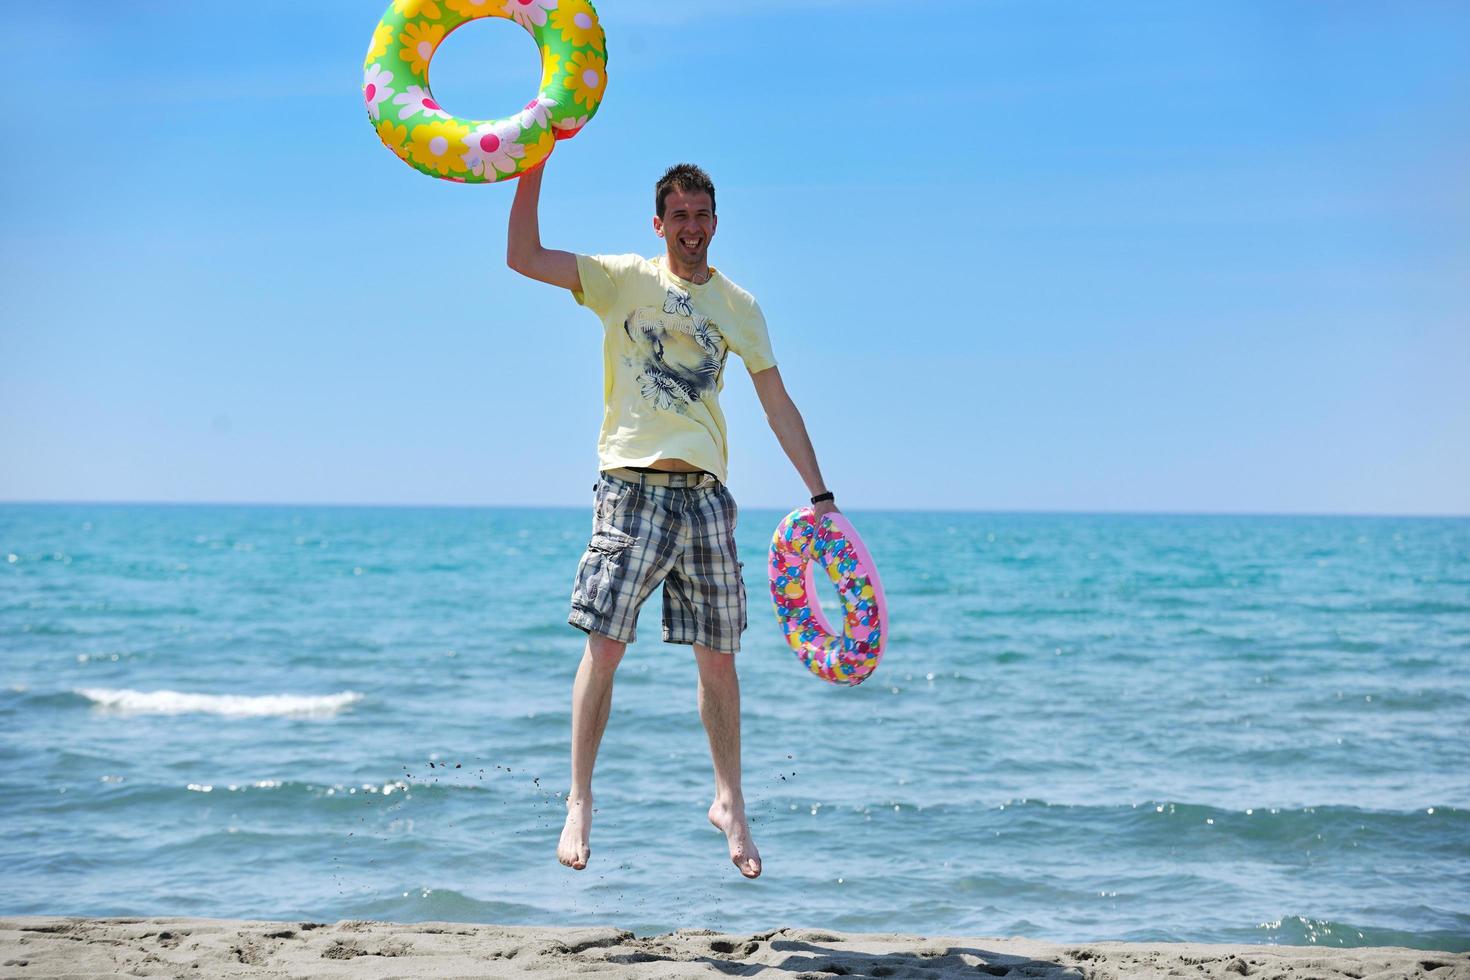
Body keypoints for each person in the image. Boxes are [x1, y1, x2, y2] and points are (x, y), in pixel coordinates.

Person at [505, 159, 838, 879]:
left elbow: (777, 406)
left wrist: (821, 495)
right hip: (632, 490)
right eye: (678, 216)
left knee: (719, 662)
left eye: (702, 215)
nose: (691, 228)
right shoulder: (623, 279)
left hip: (707, 500)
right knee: (605, 645)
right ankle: (580, 801)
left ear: (716, 222)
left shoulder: (740, 306)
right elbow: (522, 256)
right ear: (659, 225)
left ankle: (730, 803)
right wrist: (530, 164)